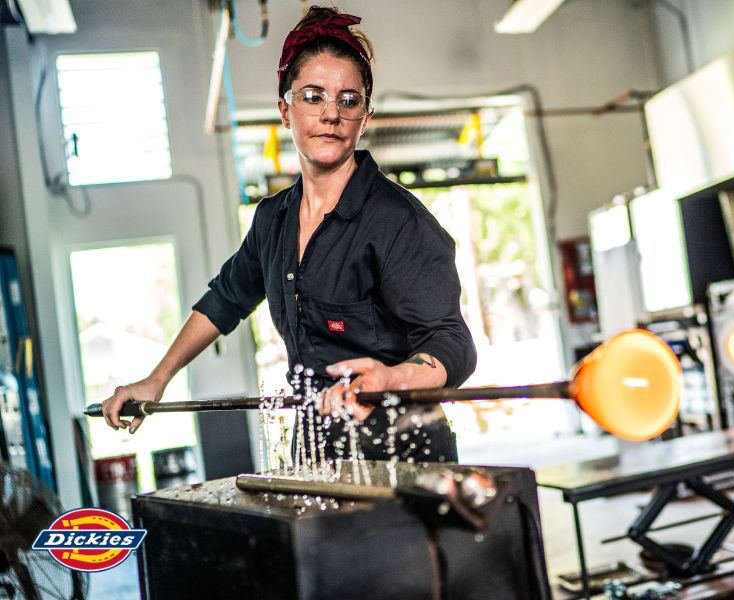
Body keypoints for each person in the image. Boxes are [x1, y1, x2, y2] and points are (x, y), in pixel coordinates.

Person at [102, 7, 476, 463]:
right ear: (285, 109)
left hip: (404, 451)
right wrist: (155, 380)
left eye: (349, 100)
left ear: (365, 116)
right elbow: (225, 300)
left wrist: (391, 377)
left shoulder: (398, 222)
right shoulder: (272, 222)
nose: (331, 114)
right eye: (314, 97)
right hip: (317, 451)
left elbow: (453, 343)